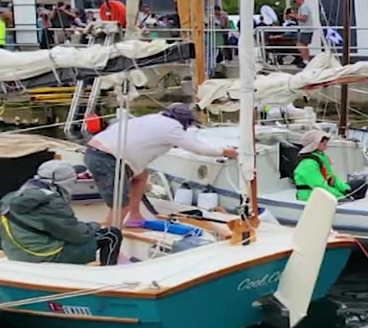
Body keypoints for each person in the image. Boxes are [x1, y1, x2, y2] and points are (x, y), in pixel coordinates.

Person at [87, 103, 236, 226]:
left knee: (141, 175)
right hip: (108, 159)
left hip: (97, 151)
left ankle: (135, 217)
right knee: (120, 206)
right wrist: (224, 151)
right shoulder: (172, 128)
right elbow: (199, 149)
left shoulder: (154, 118)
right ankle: (109, 247)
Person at [0, 160, 122, 265]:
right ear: (65, 183)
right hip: (43, 255)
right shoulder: (52, 202)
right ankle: (108, 274)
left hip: (16, 253)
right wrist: (95, 225)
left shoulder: (11, 197)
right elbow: (78, 236)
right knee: (111, 235)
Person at [293, 130, 359, 200]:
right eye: (322, 142)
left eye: (326, 141)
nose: (326, 144)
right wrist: (341, 196)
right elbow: (319, 186)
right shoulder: (308, 164)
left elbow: (331, 178)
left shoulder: (321, 158)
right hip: (312, 199)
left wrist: (346, 189)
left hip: (326, 195)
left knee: (360, 184)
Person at [292, 0, 313, 64]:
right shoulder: (304, 7)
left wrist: (295, 16)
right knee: (304, 45)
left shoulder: (304, 7)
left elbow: (304, 17)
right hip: (306, 29)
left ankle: (305, 60)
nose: (295, 3)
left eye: (295, 1)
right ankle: (306, 60)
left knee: (301, 44)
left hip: (305, 29)